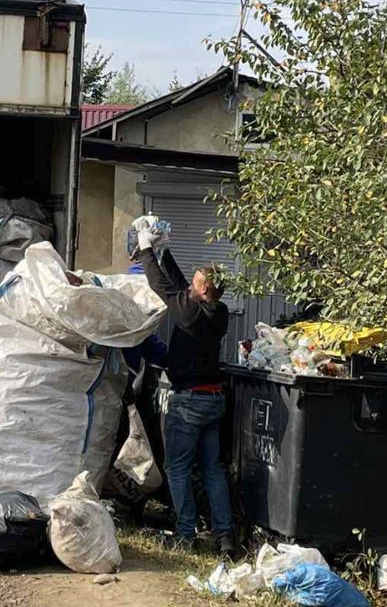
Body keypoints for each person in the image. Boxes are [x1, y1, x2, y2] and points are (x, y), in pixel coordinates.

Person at [135, 232, 236, 555]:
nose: (190, 288)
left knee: (177, 467)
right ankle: (224, 536)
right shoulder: (218, 312)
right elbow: (181, 289)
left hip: (189, 401)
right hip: (214, 399)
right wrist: (165, 253)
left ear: (204, 290)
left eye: (196, 284)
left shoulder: (191, 314)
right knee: (212, 469)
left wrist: (146, 247)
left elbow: (163, 288)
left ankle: (185, 534)